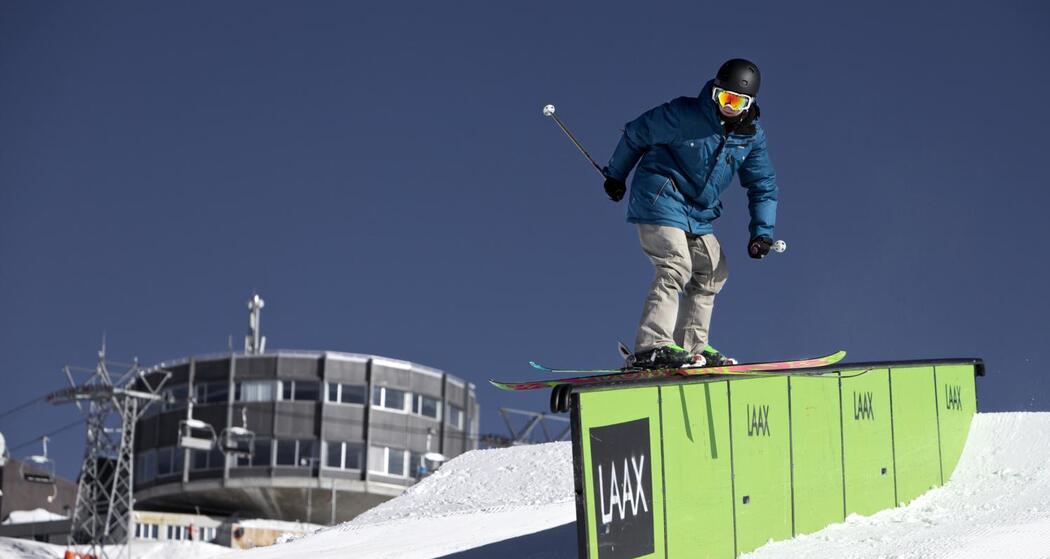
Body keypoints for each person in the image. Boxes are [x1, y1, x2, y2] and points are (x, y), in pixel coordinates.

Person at [602, 58, 778, 369]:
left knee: (713, 270)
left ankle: (692, 346)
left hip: (698, 211)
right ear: (715, 91)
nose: (728, 106)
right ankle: (653, 344)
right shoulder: (685, 115)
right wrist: (617, 175)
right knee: (676, 263)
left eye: (737, 102)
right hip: (660, 196)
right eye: (723, 97)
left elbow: (762, 183)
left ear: (750, 103)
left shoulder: (751, 137)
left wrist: (761, 233)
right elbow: (637, 132)